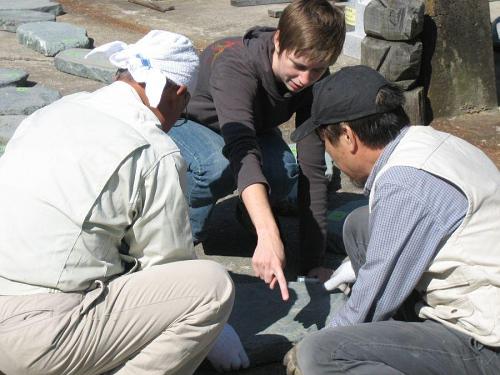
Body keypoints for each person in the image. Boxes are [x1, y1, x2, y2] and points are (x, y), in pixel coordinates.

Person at [0, 30, 239, 375]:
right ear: (179, 94)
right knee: (210, 288)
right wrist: (213, 334)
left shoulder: (54, 111)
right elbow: (167, 268)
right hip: (34, 340)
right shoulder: (154, 150)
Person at [284, 65, 500, 375]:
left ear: (347, 136)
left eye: (326, 144)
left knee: (321, 355)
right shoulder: (425, 142)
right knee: (361, 225)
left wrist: (318, 343)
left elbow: (374, 294)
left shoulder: (405, 182)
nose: (332, 156)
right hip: (474, 302)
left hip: (483, 342)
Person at [168, 0, 346, 301]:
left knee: (286, 172)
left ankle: (249, 211)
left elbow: (312, 166)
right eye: (299, 66)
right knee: (214, 165)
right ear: (278, 41)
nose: (305, 79)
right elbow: (241, 149)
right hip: (191, 126)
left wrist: (312, 263)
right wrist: (269, 233)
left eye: (316, 70)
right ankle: (177, 251)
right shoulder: (236, 65)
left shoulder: (313, 78)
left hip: (248, 129)